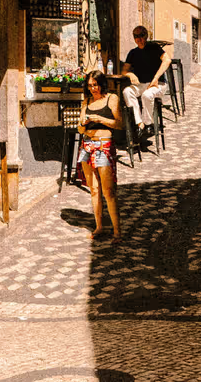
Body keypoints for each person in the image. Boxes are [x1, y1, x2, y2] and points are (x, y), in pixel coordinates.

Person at [77, 70, 123, 244]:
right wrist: (84, 123)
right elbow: (80, 129)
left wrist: (99, 118)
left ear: (102, 84)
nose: (93, 88)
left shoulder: (112, 99)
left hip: (104, 145)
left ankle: (117, 231)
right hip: (87, 145)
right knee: (94, 189)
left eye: (95, 85)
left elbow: (119, 123)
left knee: (108, 191)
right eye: (89, 85)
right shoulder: (87, 101)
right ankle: (99, 226)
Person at [122, 26, 172, 132]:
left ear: (146, 36)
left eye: (141, 35)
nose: (138, 39)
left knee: (147, 95)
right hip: (142, 84)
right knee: (127, 91)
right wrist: (130, 75)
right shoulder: (133, 53)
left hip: (159, 84)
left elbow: (167, 60)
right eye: (136, 36)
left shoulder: (153, 47)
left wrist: (156, 78)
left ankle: (148, 124)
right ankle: (139, 123)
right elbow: (124, 70)